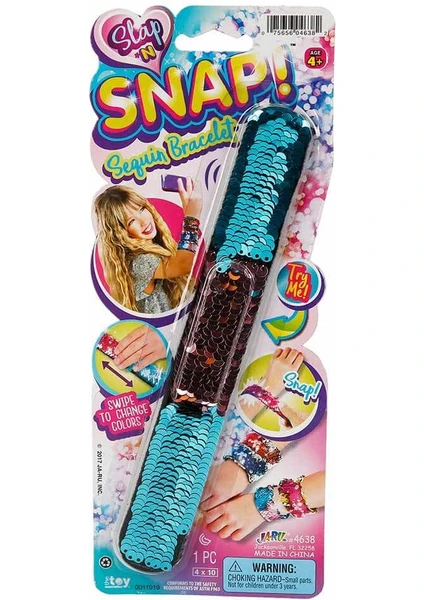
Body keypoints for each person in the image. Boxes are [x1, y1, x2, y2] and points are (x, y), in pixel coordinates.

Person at [94, 180, 202, 314]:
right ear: (120, 233)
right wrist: (191, 219)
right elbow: (184, 264)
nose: (143, 221)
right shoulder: (139, 262)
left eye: (141, 209)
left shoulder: (157, 246)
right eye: (131, 221)